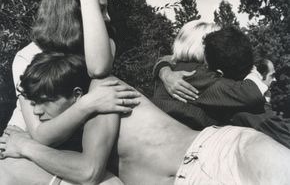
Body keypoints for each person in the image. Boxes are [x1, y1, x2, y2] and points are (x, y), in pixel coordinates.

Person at [1, 47, 290, 185]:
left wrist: (26, 146)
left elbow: (88, 173)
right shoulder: (77, 130)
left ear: (77, 95)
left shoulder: (102, 95)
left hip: (215, 157)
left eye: (44, 102)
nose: (36, 113)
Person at [2, 0, 140, 184]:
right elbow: (41, 134)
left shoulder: (101, 47)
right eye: (100, 7)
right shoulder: (28, 56)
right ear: (73, 11)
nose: (108, 17)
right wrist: (87, 104)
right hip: (23, 143)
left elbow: (98, 68)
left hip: (67, 149)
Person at [153, 23, 267, 129]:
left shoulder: (177, 68)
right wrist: (250, 69)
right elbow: (251, 94)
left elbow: (166, 58)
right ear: (201, 46)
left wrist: (163, 69)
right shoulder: (197, 74)